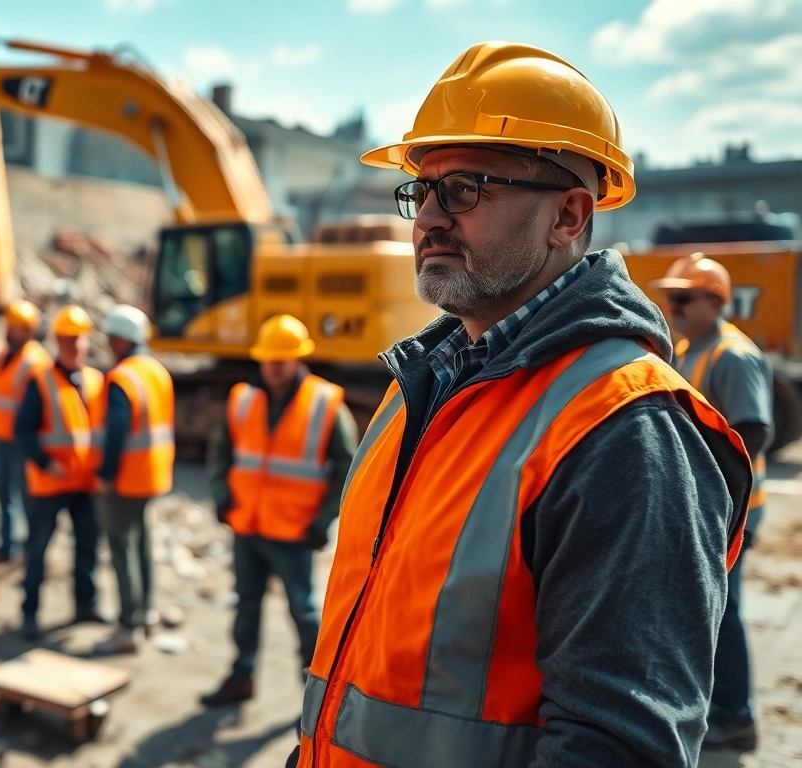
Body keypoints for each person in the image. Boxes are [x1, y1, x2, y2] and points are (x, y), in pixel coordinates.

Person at [293, 42, 752, 768]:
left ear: (568, 215)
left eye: (465, 189)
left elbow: (618, 749)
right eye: (422, 190)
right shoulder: (417, 390)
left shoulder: (627, 431)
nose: (428, 219)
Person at [201, 314, 356, 706]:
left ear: (298, 358)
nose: (272, 367)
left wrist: (324, 520)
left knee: (304, 612)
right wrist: (222, 496)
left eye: (280, 360)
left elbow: (349, 468)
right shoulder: (243, 398)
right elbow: (221, 452)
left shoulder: (324, 403)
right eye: (267, 360)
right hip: (248, 524)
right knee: (246, 605)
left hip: (294, 531)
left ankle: (317, 694)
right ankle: (241, 677)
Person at [652, 254, 773, 751]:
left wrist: (712, 486)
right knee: (706, 609)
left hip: (732, 507)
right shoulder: (688, 348)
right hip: (706, 503)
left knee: (723, 610)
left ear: (716, 302)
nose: (673, 306)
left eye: (684, 298)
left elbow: (753, 430)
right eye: (670, 297)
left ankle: (736, 716)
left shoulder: (732, 355)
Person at [12, 305, 109, 640]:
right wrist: (45, 462)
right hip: (50, 484)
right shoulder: (41, 381)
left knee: (87, 546)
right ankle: (30, 614)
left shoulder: (95, 380)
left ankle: (86, 604)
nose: (74, 346)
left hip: (84, 483)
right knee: (38, 550)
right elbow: (23, 430)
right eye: (68, 339)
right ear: (57, 342)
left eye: (79, 339)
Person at [92, 304, 175, 656]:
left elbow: (117, 430)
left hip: (127, 477)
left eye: (111, 337)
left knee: (122, 548)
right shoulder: (157, 371)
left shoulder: (123, 377)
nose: (108, 343)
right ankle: (147, 613)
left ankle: (128, 626)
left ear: (121, 339)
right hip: (153, 473)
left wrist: (105, 475)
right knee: (141, 542)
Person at [0, 300, 51, 567]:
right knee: (4, 494)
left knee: (27, 497)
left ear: (28, 330)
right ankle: (7, 548)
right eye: (10, 326)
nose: (11, 331)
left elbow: (43, 405)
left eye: (17, 327)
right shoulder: (3, 356)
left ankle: (31, 552)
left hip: (23, 441)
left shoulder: (36, 360)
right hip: (1, 437)